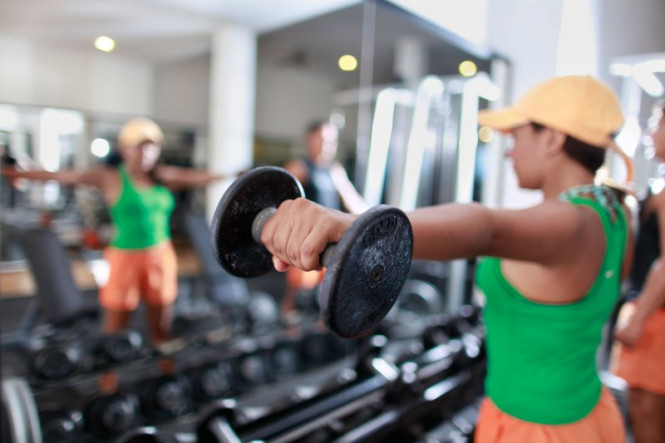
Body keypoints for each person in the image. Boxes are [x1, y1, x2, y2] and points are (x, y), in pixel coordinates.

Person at [259, 76, 634, 442]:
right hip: (587, 412)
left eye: (516, 136)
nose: (509, 150)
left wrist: (354, 227)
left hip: (538, 429)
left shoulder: (572, 223)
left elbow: (486, 228)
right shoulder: (617, 215)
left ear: (552, 138)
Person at [2, 117, 227, 391]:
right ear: (126, 149)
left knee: (161, 330)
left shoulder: (162, 176)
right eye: (140, 146)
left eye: (151, 147)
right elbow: (62, 175)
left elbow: (200, 177)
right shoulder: (110, 177)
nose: (146, 153)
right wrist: (12, 173)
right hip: (125, 259)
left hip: (160, 258)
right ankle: (108, 386)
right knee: (115, 330)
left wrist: (237, 177)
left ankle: (166, 382)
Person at [612, 101, 665, 443]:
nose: (650, 133)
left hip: (656, 322)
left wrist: (637, 318)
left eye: (658, 124)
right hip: (653, 316)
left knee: (647, 416)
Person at [280, 120, 368, 319]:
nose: (328, 145)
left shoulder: (335, 171)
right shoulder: (299, 167)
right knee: (297, 293)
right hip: (306, 241)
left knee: (329, 292)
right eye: (323, 139)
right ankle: (288, 327)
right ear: (309, 139)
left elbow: (353, 202)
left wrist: (378, 217)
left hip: (331, 242)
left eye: (332, 141)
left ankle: (322, 330)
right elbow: (280, 196)